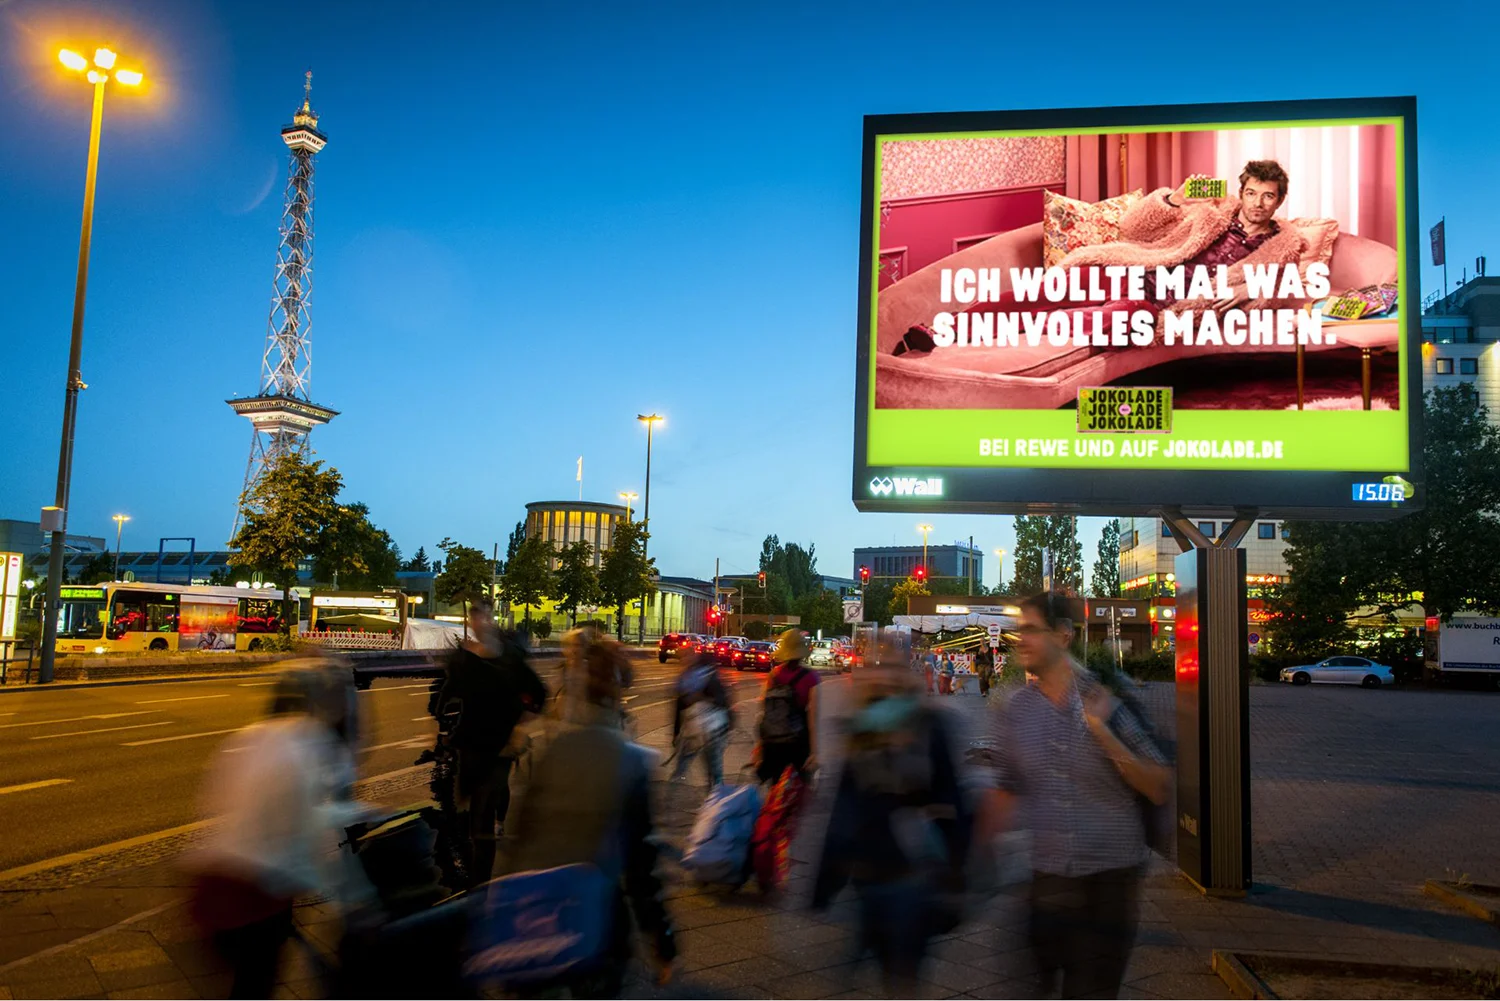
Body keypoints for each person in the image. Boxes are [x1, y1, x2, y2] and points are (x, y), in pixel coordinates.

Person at [982, 592, 1171, 999]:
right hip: (1047, 882)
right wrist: (977, 853)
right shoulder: (1017, 710)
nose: (1022, 639)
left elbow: (1157, 785)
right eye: (1020, 631)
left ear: (1063, 635)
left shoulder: (1108, 701)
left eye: (1031, 630)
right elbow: (1007, 787)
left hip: (1109, 886)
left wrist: (1102, 731)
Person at [185, 659, 371, 999]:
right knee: (255, 985)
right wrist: (356, 896)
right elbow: (313, 830)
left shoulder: (253, 735)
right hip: (254, 896)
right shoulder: (309, 746)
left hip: (210, 885)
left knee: (242, 985)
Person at [502, 635, 676, 996]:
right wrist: (660, 936)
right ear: (617, 693)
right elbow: (641, 864)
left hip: (538, 907)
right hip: (595, 909)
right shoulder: (631, 761)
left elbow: (520, 832)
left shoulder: (553, 750)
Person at [812, 633, 971, 995]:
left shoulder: (928, 726)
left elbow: (954, 802)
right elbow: (843, 805)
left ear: (906, 671)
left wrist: (956, 878)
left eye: (890, 667)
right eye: (874, 665)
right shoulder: (862, 727)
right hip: (867, 877)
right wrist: (826, 880)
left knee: (901, 979)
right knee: (881, 975)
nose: (881, 675)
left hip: (912, 877)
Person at [435, 598, 547, 888]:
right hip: (470, 745)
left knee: (483, 814)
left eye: (484, 617)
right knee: (466, 810)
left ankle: (479, 885)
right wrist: (442, 728)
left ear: (492, 618)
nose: (480, 623)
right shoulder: (464, 659)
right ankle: (468, 872)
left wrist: (520, 728)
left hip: (500, 746)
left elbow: (538, 693)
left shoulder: (509, 657)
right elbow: (446, 696)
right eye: (475, 618)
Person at [753, 629, 820, 783]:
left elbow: (764, 710)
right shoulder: (811, 678)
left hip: (773, 742)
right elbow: (813, 718)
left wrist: (759, 746)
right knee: (799, 790)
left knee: (775, 789)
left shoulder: (774, 675)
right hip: (798, 742)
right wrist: (814, 752)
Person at [671, 647, 734, 791]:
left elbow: (678, 708)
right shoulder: (709, 674)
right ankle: (716, 800)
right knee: (714, 769)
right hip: (711, 729)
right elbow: (724, 701)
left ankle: (672, 794)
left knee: (685, 764)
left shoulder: (685, 679)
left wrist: (676, 734)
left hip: (698, 730)